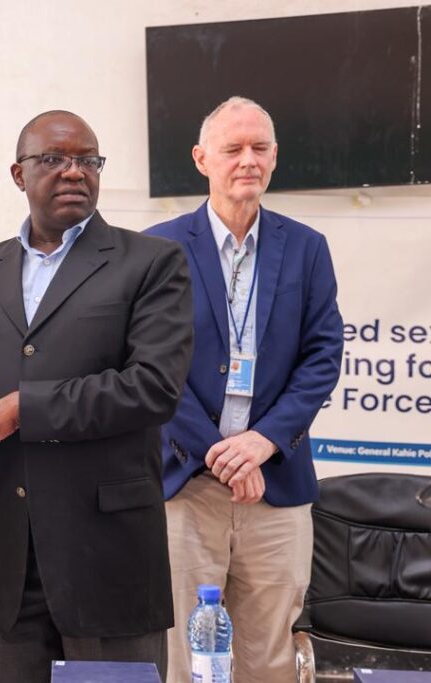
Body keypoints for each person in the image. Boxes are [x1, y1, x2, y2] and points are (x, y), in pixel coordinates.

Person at [0, 110, 194, 683]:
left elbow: (153, 388)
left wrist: (23, 408)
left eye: (87, 160)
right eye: (53, 159)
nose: (74, 171)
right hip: (8, 556)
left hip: (107, 554)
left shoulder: (151, 263)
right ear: (18, 174)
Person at [145, 97, 344, 683]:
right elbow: (149, 365)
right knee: (182, 657)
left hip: (275, 486)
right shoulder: (157, 249)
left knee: (269, 659)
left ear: (275, 157)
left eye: (260, 148)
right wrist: (218, 452)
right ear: (201, 159)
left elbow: (322, 356)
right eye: (232, 149)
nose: (248, 160)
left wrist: (262, 442)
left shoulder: (306, 247)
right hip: (184, 485)